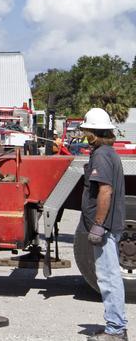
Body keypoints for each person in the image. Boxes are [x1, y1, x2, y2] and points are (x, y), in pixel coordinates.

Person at [81, 107, 127, 341]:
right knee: (109, 277)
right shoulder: (107, 153)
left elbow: (105, 190)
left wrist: (98, 225)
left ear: (94, 133)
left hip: (105, 228)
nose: (84, 136)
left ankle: (116, 330)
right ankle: (117, 327)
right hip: (109, 227)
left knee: (109, 279)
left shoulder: (101, 155)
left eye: (87, 131)